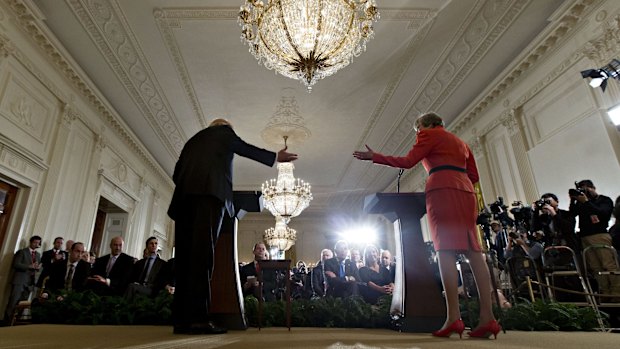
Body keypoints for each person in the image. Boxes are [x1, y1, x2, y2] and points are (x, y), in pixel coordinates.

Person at [353, 112, 500, 339]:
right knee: (474, 251)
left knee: (445, 252)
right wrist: (458, 184)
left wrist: (376, 157)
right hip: (466, 192)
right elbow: (474, 175)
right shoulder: (461, 142)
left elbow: (408, 162)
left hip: (442, 191)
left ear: (426, 125)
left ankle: (453, 318)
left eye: (418, 130)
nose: (418, 134)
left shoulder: (428, 135)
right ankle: (488, 318)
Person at [167, 118, 297, 335]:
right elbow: (244, 148)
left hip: (183, 202)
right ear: (224, 127)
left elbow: (176, 173)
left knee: (185, 261)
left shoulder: (192, 141)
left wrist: (191, 187)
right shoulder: (224, 133)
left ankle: (181, 320)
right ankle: (198, 320)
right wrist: (275, 157)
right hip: (209, 198)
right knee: (202, 259)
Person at [569, 179, 619, 301]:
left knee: (608, 265)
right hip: (585, 237)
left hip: (600, 235)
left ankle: (616, 293)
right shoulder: (581, 203)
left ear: (593, 188)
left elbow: (603, 213)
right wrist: (573, 199)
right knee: (596, 267)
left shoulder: (604, 200)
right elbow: (572, 214)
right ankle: (605, 293)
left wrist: (586, 202)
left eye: (586, 188)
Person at [5, 235, 41, 322]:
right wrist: (29, 266)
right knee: (13, 302)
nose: (36, 244)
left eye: (38, 243)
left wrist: (38, 268)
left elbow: (37, 266)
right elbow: (16, 264)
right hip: (19, 281)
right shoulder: (22, 252)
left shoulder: (38, 254)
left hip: (30, 283)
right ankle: (7, 321)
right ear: (31, 242)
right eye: (35, 242)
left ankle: (17, 321)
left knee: (23, 303)